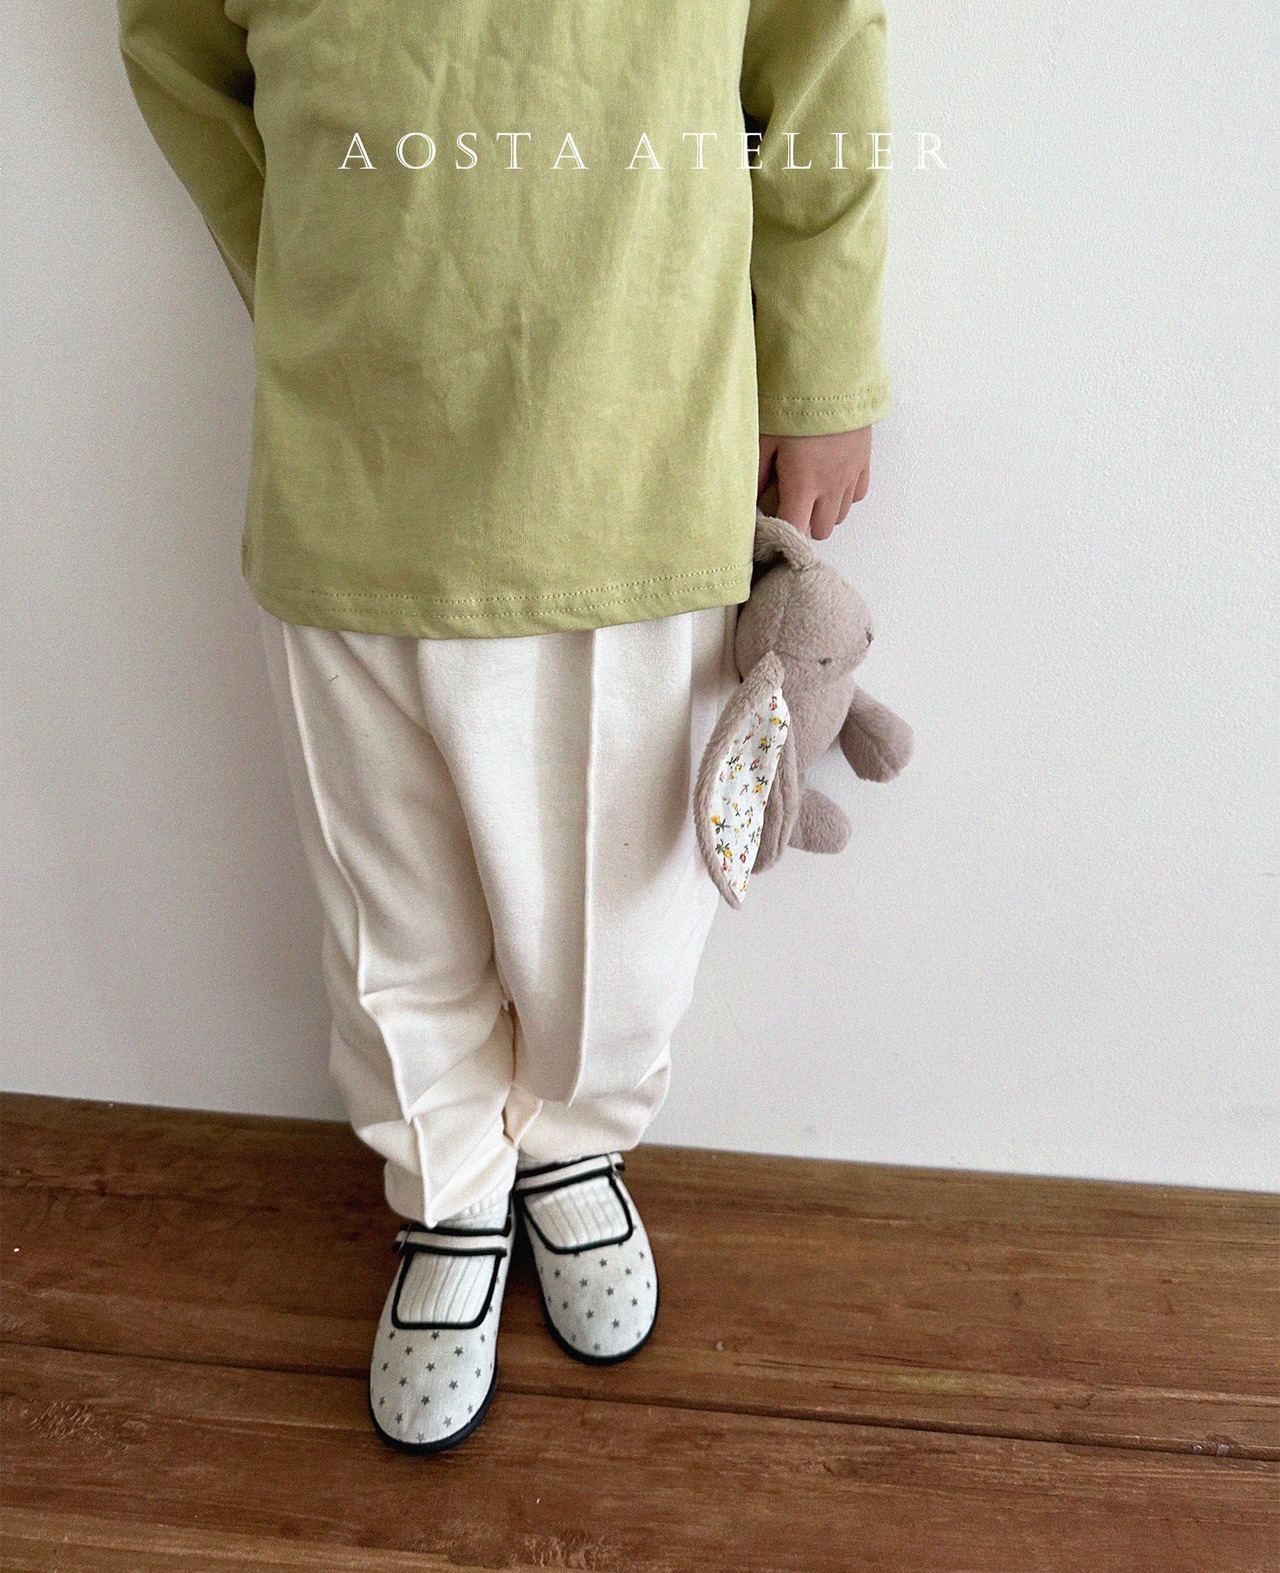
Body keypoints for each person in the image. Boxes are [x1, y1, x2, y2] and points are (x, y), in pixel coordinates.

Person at [115, 0, 892, 1452]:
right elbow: (175, 47)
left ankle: (576, 1141)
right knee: (389, 910)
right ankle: (451, 1189)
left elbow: (819, 51)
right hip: (356, 451)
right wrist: (299, 262)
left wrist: (824, 364)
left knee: (632, 912)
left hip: (638, 436)